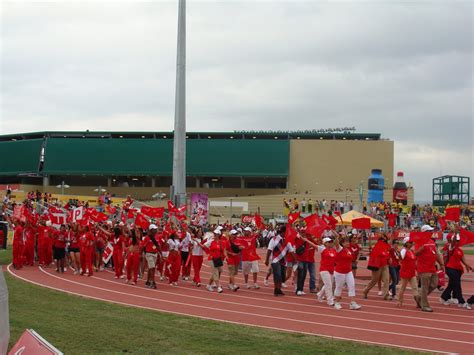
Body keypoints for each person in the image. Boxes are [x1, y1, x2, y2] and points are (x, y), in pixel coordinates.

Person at [415, 225, 445, 312]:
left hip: (432, 267)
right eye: (429, 231)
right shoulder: (419, 241)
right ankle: (424, 305)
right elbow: (415, 253)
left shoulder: (431, 241)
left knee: (434, 284)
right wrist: (422, 248)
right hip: (424, 267)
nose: (431, 232)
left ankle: (419, 298)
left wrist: (441, 264)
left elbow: (436, 254)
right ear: (424, 232)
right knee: (425, 287)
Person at [440, 233, 473, 309]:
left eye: (459, 241)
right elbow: (452, 243)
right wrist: (455, 234)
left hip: (458, 270)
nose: (458, 242)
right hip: (450, 268)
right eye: (457, 241)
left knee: (452, 284)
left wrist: (468, 266)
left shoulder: (460, 251)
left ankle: (443, 297)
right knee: (457, 284)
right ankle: (461, 301)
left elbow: (463, 261)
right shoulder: (451, 248)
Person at [265, 225, 295, 296]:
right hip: (275, 260)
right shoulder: (274, 239)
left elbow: (291, 251)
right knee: (277, 275)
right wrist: (266, 260)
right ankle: (276, 290)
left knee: (282, 277)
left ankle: (279, 289)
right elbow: (269, 250)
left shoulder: (287, 241)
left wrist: (295, 260)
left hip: (283, 261)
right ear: (283, 232)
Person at [333, 235, 361, 310]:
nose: (348, 243)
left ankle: (352, 303)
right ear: (342, 243)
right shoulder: (339, 249)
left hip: (348, 271)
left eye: (348, 241)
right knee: (339, 287)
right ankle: (337, 302)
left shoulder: (348, 250)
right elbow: (336, 243)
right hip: (340, 272)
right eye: (346, 242)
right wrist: (337, 237)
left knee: (352, 285)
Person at [363, 233, 390, 300]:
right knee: (374, 280)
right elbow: (373, 251)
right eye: (383, 237)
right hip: (377, 265)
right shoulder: (378, 244)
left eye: (385, 237)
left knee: (386, 280)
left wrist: (389, 258)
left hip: (385, 265)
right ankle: (365, 291)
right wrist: (369, 241)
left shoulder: (387, 245)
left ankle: (386, 295)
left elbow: (387, 253)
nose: (385, 238)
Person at [397, 237, 420, 307]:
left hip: (412, 272)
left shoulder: (411, 251)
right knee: (403, 288)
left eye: (412, 242)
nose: (412, 243)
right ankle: (399, 301)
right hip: (405, 272)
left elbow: (414, 261)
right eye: (410, 242)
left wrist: (417, 270)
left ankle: (418, 302)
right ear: (406, 243)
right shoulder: (404, 250)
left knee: (415, 287)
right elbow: (400, 258)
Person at [316, 236, 336, 306]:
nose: (331, 243)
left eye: (331, 242)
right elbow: (314, 245)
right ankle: (330, 300)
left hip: (331, 269)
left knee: (328, 284)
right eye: (329, 242)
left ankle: (319, 294)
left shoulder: (333, 250)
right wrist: (305, 239)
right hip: (324, 269)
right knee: (329, 285)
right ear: (325, 243)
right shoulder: (322, 249)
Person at [140, 224, 161, 289]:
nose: (156, 230)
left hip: (155, 254)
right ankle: (153, 282)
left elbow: (158, 246)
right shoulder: (147, 237)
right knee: (152, 268)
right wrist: (140, 254)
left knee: (151, 268)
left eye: (156, 229)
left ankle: (148, 282)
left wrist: (161, 255)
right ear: (151, 230)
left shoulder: (157, 237)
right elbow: (142, 246)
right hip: (149, 254)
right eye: (154, 229)